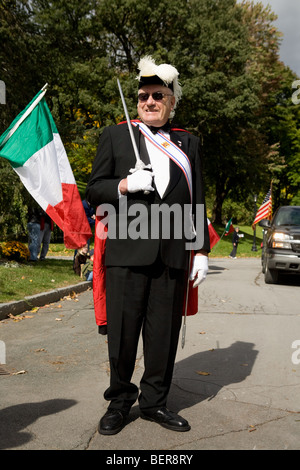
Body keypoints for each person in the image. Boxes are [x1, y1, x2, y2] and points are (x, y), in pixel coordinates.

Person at [86, 55, 210, 435]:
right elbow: (93, 190)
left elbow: (197, 200)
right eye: (143, 96)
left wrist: (201, 250)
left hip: (172, 256)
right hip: (127, 252)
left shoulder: (188, 142)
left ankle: (155, 402)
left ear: (172, 101)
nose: (150, 102)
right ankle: (120, 402)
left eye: (158, 95)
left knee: (162, 337)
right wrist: (124, 186)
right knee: (123, 335)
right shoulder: (115, 135)